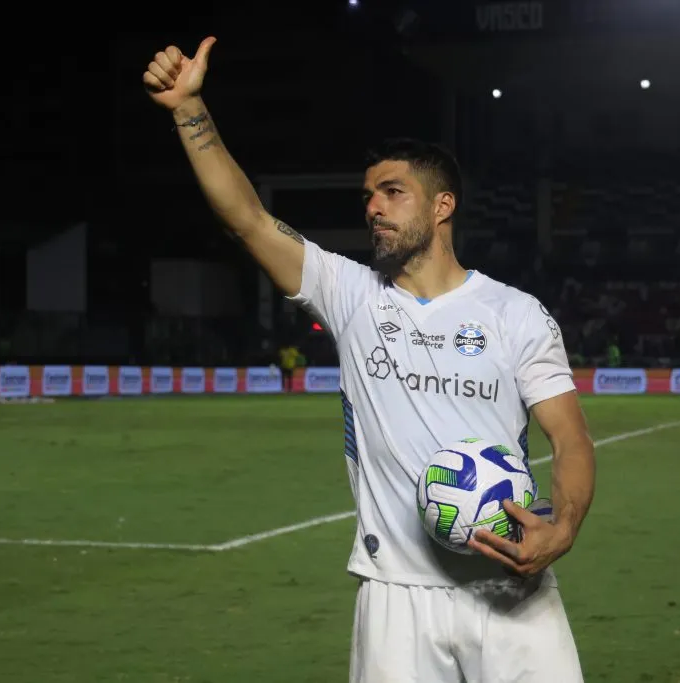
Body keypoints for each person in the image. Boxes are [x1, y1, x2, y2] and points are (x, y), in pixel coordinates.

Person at [143, 37, 596, 683]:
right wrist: (189, 110)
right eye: (368, 195)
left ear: (443, 206)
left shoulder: (515, 313)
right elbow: (246, 218)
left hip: (510, 585)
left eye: (392, 192)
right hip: (395, 596)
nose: (372, 207)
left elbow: (571, 437)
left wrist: (566, 524)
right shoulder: (351, 293)